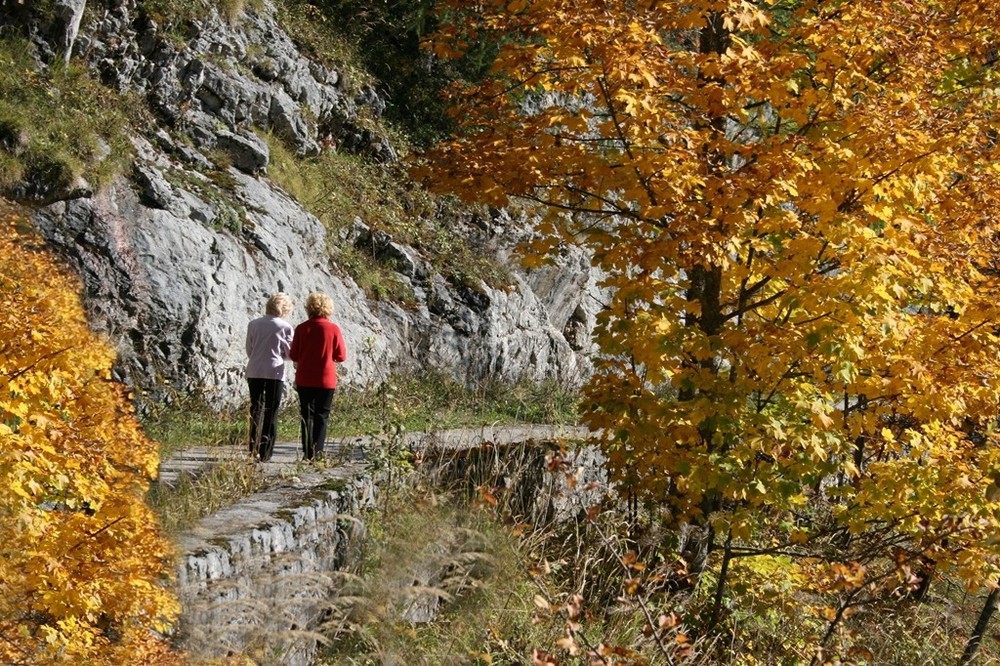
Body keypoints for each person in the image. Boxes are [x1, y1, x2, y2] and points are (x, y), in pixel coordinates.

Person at [289, 291, 347, 461]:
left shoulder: (301, 328)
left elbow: (293, 355)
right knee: (322, 415)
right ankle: (318, 453)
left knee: (306, 414)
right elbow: (341, 356)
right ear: (328, 308)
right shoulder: (333, 329)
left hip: (304, 378)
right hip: (326, 379)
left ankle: (307, 453)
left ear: (309, 308)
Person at [245, 292, 294, 462]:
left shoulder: (254, 324)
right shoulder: (285, 327)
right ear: (285, 309)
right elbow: (289, 354)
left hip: (254, 369)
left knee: (255, 407)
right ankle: (266, 451)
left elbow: (249, 349)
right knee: (271, 410)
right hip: (275, 371)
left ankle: (253, 446)